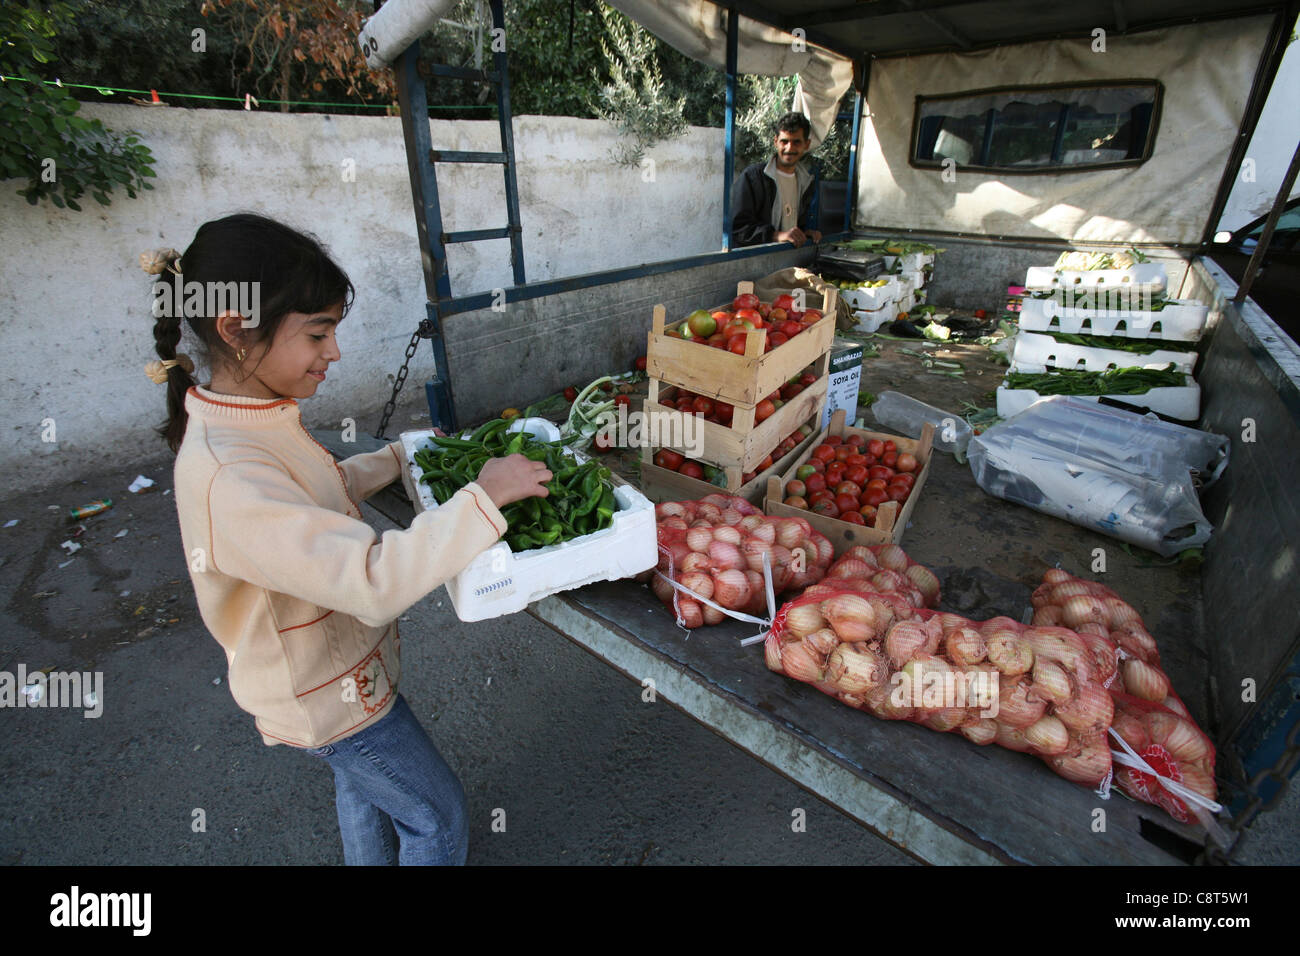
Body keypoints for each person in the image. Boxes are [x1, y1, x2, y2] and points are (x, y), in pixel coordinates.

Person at [143, 213, 550, 865]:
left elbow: (313, 499)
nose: (334, 352)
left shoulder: (249, 422)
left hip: (340, 680)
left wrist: (391, 460)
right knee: (435, 816)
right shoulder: (228, 474)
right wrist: (486, 496)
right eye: (317, 333)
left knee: (369, 794)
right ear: (235, 329)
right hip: (328, 700)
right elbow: (369, 583)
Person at [730, 112, 824, 249]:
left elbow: (794, 227)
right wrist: (776, 235)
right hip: (754, 262)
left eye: (796, 142)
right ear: (776, 142)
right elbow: (738, 228)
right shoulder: (753, 177)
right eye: (784, 141)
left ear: (806, 144)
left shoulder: (806, 181)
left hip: (786, 261)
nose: (789, 148)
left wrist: (805, 234)